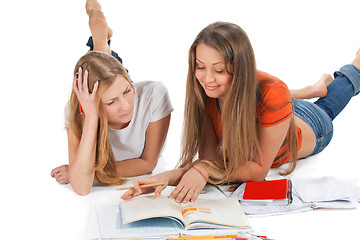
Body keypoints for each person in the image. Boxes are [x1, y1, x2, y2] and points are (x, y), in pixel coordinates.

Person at [121, 21, 360, 203]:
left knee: (325, 107)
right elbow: (211, 161)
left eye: (219, 70)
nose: (207, 78)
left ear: (238, 68)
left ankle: (355, 67)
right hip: (273, 108)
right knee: (270, 94)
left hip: (311, 126)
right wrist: (166, 177)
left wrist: (199, 170)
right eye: (200, 67)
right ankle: (309, 89)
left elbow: (256, 171)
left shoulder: (271, 93)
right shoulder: (207, 90)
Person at [51, 0, 173, 195]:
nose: (125, 107)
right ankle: (100, 40)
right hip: (97, 94)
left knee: (103, 58)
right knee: (98, 66)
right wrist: (91, 117)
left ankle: (101, 39)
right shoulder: (77, 113)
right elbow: (82, 188)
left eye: (127, 91)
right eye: (111, 102)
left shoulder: (153, 95)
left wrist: (86, 172)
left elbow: (147, 164)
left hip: (113, 77)